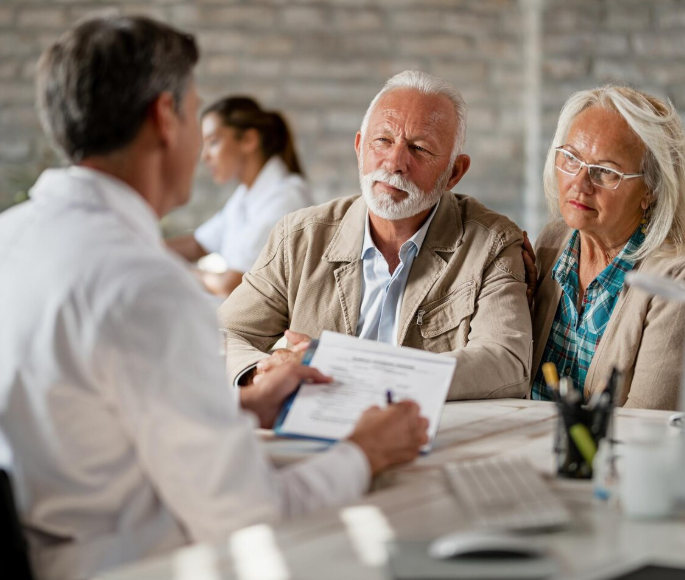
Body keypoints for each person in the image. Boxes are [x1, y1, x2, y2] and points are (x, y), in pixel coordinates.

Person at [0, 16, 429, 580]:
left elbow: (77, 426)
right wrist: (365, 451)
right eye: (195, 112)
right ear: (165, 117)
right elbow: (250, 516)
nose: (200, 141)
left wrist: (237, 408)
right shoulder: (144, 285)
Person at [219, 71, 533, 401]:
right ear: (359, 147)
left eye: (420, 148)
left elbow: (506, 363)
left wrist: (350, 369)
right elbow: (223, 333)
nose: (395, 162)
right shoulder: (299, 237)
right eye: (382, 141)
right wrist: (261, 372)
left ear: (454, 172)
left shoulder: (492, 244)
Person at [526, 85, 685, 410]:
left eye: (605, 171)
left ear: (651, 189)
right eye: (571, 158)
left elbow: (645, 426)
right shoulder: (553, 241)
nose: (579, 184)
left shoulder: (676, 278)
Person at [166, 96, 312, 297]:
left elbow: (231, 285)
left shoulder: (285, 198)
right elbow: (198, 243)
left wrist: (171, 270)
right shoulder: (245, 196)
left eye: (213, 142)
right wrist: (143, 248)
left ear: (248, 140)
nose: (205, 156)